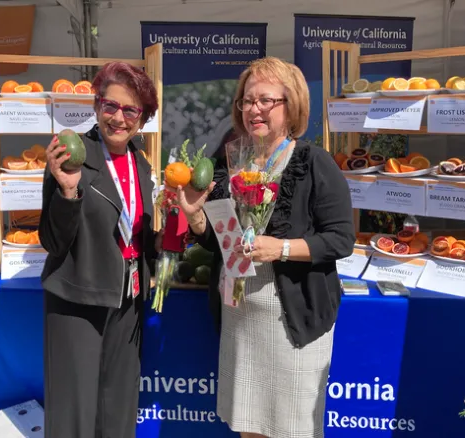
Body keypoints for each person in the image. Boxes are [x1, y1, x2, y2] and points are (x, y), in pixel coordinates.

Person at [172, 57, 356, 438]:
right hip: (242, 320)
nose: (253, 109)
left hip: (292, 321)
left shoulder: (313, 163)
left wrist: (281, 249)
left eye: (265, 100)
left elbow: (341, 240)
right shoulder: (230, 163)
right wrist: (194, 216)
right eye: (246, 100)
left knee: (293, 430)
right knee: (249, 429)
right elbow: (220, 238)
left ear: (292, 107)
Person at [39, 62, 160, 438]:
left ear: (142, 118)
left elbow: (138, 233)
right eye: (110, 106)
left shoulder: (140, 162)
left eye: (130, 110)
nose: (118, 118)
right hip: (79, 297)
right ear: (96, 106)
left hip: (127, 299)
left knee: (119, 405)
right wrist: (68, 191)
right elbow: (54, 242)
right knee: (74, 413)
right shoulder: (71, 156)